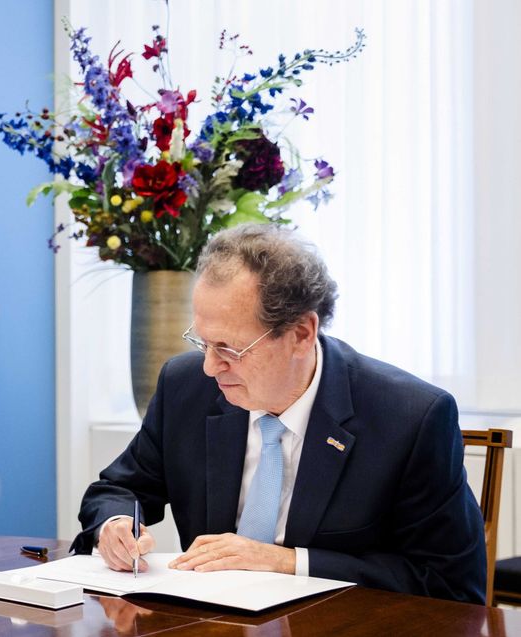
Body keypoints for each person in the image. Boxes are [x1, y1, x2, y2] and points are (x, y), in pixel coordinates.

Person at [71, 223, 486, 604]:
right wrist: (116, 525)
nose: (210, 367)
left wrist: (287, 562)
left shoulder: (409, 417)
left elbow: (447, 583)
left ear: (301, 334)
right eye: (202, 342)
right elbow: (116, 489)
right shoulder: (186, 387)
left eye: (229, 349)